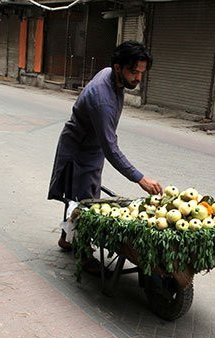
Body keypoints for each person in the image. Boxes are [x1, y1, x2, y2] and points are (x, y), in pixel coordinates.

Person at [48, 41, 162, 254]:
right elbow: (110, 147)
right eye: (134, 72)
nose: (138, 78)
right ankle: (83, 254)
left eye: (141, 73)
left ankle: (66, 238)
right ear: (118, 67)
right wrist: (140, 178)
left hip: (92, 146)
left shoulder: (111, 74)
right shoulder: (102, 99)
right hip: (80, 149)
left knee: (79, 197)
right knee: (85, 203)